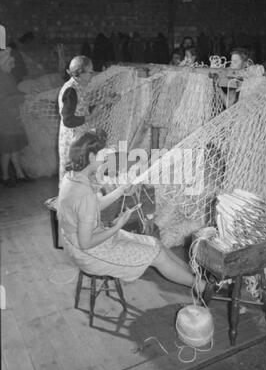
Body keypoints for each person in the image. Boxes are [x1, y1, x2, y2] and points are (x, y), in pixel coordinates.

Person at [58, 132, 206, 292]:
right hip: (90, 253)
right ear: (92, 157)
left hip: (85, 241)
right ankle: (201, 287)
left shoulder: (73, 177)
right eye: (103, 155)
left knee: (155, 243)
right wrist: (117, 226)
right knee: (157, 256)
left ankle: (196, 277)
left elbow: (93, 206)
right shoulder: (84, 193)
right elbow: (86, 243)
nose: (106, 159)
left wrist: (121, 190)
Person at [58, 55, 97, 185]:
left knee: (81, 171)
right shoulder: (71, 90)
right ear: (80, 73)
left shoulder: (79, 86)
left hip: (80, 137)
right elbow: (68, 120)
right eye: (90, 72)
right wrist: (88, 118)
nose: (92, 74)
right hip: (73, 138)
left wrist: (104, 103)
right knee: (74, 171)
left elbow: (82, 107)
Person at [0, 47, 30, 186]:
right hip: (4, 117)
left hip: (11, 116)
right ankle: (9, 176)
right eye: (9, 64)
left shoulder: (8, 76)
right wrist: (22, 97)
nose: (12, 67)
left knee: (12, 148)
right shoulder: (1, 77)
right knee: (8, 148)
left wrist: (23, 95)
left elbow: (14, 92)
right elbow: (4, 99)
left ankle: (16, 174)